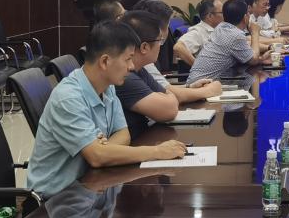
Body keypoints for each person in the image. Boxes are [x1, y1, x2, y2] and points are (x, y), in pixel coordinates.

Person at [25, 21, 187, 199]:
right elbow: (97, 157)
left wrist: (103, 149)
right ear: (104, 61)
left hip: (91, 188)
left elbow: (123, 134)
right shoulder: (68, 98)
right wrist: (157, 152)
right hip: (56, 200)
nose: (132, 67)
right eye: (127, 59)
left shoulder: (107, 87)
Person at [117, 11, 221, 138]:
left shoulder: (140, 69)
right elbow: (169, 109)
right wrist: (208, 91)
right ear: (144, 47)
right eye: (160, 41)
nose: (161, 46)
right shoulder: (125, 76)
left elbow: (168, 94)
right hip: (137, 142)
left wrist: (185, 90)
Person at [187, 0, 274, 84]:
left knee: (248, 79)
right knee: (252, 80)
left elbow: (247, 56)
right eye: (248, 13)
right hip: (204, 86)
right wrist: (255, 33)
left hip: (195, 83)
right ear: (245, 17)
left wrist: (261, 59)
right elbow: (253, 60)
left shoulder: (220, 28)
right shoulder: (236, 35)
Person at [132, 0, 176, 88]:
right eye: (168, 25)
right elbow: (168, 92)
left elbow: (164, 90)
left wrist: (190, 86)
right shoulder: (143, 59)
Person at [173, 0, 222, 67]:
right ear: (210, 16)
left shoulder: (219, 29)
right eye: (222, 12)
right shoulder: (198, 32)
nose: (225, 15)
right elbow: (178, 48)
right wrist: (199, 68)